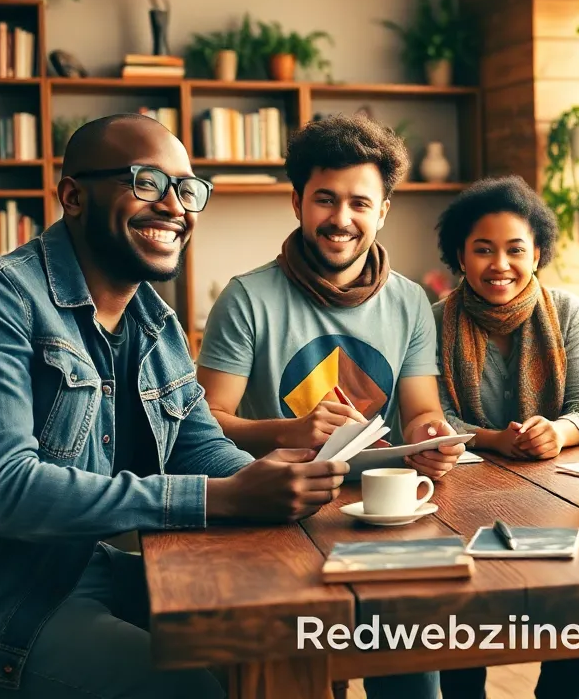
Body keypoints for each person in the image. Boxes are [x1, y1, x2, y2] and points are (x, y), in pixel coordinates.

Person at [0, 114, 348, 699]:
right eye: (147, 182)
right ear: (73, 196)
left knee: (291, 637)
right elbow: (3, 491)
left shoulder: (157, 324)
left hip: (89, 568)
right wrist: (227, 496)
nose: (176, 207)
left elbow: (197, 444)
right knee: (197, 692)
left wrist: (282, 482)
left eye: (187, 190)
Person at [196, 115, 464, 485]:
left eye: (359, 204)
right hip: (277, 500)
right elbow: (206, 422)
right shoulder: (245, 299)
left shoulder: (411, 301)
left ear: (382, 213)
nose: (341, 219)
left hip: (385, 497)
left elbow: (421, 412)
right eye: (325, 199)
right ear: (297, 203)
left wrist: (430, 438)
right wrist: (290, 431)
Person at [427, 175, 579, 699]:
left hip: (558, 499)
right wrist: (490, 440)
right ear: (460, 254)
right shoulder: (434, 319)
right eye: (483, 249)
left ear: (538, 253)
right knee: (462, 622)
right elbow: (430, 415)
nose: (499, 264)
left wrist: (562, 430)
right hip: (456, 502)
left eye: (514, 249)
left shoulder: (565, 311)